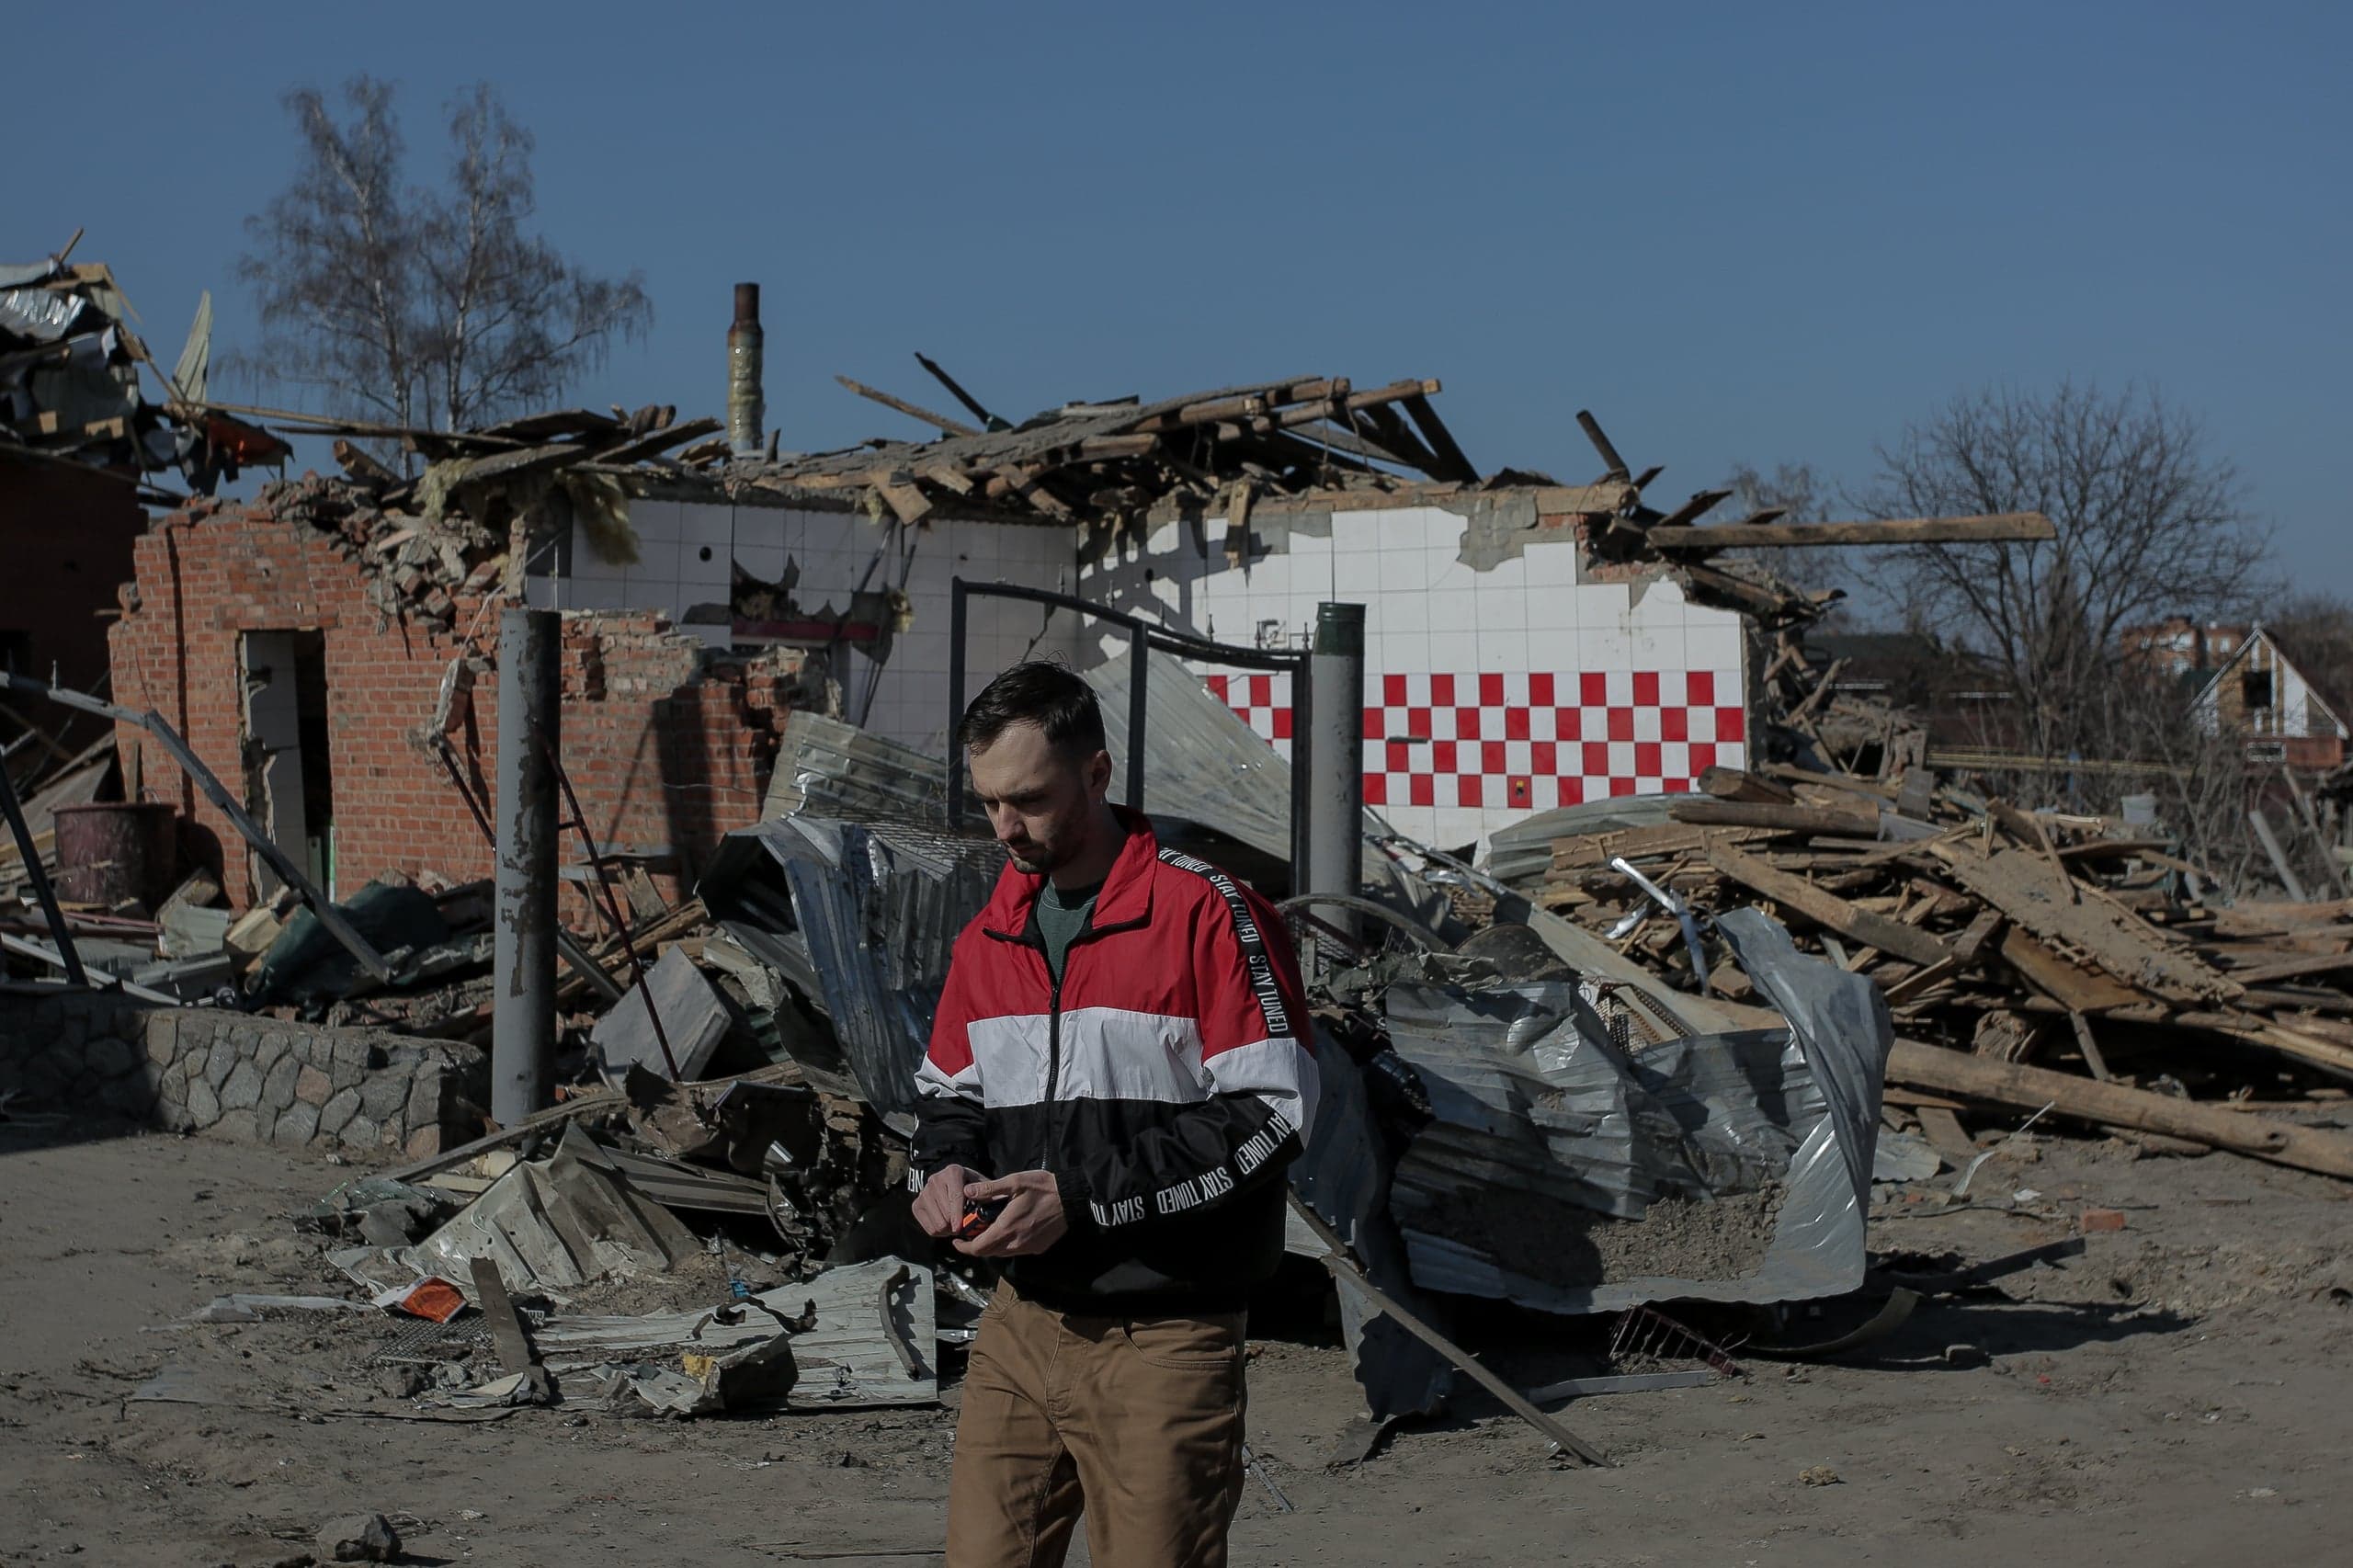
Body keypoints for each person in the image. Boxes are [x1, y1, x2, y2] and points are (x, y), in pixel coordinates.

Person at [912, 660, 1318, 1568]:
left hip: (1165, 1335)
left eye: (1029, 799)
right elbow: (947, 1096)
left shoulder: (1208, 912)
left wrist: (1080, 1197)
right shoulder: (989, 935)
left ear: (1096, 773)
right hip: (1019, 1325)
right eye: (988, 802)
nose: (1004, 828)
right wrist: (940, 1172)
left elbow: (1273, 1112)